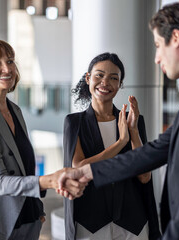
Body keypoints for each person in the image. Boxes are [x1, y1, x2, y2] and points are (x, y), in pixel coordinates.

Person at [58, 2, 179, 240]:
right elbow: (154, 151)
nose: (156, 58)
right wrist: (87, 172)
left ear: (176, 38)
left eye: (157, 45)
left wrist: (175, 234)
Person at [0, 39, 85, 240]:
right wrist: (50, 181)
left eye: (10, 61)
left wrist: (36, 208)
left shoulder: (14, 110)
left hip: (25, 222)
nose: (7, 68)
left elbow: (21, 165)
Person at [63, 52, 161, 240]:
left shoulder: (135, 121)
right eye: (99, 75)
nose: (105, 82)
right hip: (91, 223)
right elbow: (80, 168)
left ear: (120, 84)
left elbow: (144, 176)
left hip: (133, 222)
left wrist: (132, 132)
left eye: (113, 78)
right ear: (88, 78)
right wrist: (120, 143)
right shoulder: (74, 122)